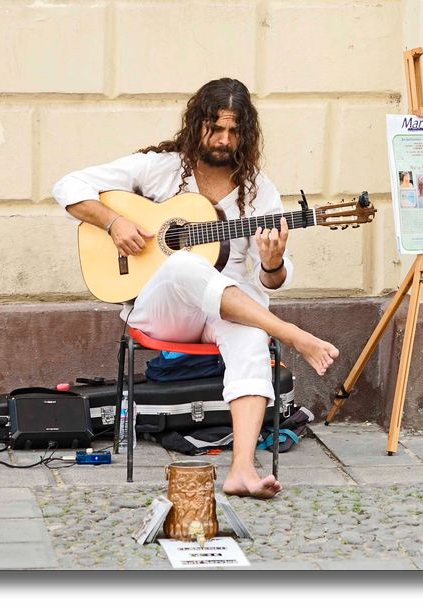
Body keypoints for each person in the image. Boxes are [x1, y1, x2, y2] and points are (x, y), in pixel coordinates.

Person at [53, 78, 340, 499]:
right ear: (196, 125)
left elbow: (270, 280)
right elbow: (68, 186)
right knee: (186, 261)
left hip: (229, 308)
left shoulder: (260, 191)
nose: (224, 140)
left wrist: (274, 261)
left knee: (249, 339)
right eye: (215, 128)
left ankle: (242, 469)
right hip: (162, 310)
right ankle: (292, 334)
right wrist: (114, 222)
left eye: (234, 131)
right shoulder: (161, 167)